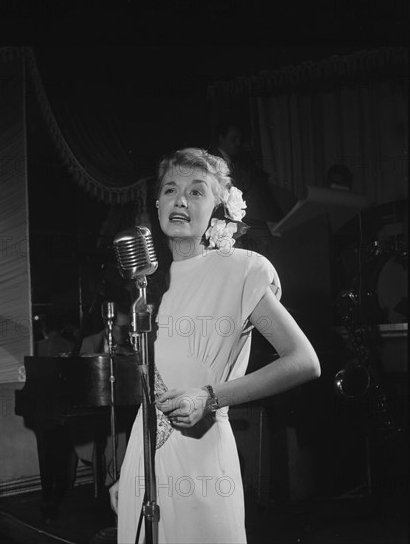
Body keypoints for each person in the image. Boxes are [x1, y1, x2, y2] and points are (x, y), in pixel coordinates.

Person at [109, 148, 320, 543]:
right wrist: (127, 471)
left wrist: (210, 397)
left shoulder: (240, 270)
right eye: (170, 189)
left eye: (196, 191)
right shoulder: (150, 282)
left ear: (219, 208)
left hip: (203, 462)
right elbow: (150, 389)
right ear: (157, 204)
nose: (180, 200)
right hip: (145, 461)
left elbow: (304, 361)